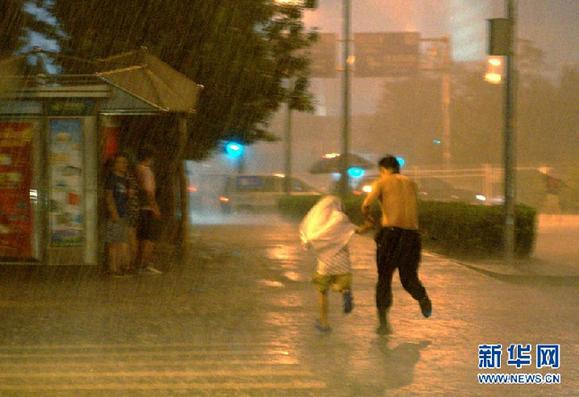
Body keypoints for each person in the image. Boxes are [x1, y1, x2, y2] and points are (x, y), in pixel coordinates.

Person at [361, 155, 432, 335]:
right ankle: (422, 297)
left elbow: (366, 204)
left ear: (384, 169)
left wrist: (369, 220)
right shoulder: (411, 184)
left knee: (384, 278)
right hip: (412, 236)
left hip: (391, 235)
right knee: (408, 278)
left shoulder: (382, 182)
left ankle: (383, 323)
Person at [300, 195, 372, 333]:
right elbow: (358, 230)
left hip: (324, 264)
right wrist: (368, 225)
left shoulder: (317, 223)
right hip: (342, 262)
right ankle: (345, 292)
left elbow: (309, 239)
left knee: (322, 292)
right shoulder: (340, 218)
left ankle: (324, 323)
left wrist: (308, 242)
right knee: (342, 283)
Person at [135, 146, 162, 275]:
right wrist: (155, 207)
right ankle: (145, 265)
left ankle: (139, 264)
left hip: (137, 208)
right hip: (147, 208)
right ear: (149, 158)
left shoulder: (136, 170)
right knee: (149, 239)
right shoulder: (147, 171)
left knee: (140, 238)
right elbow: (149, 191)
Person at [105, 154, 131, 277]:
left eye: (125, 162)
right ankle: (113, 269)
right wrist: (113, 213)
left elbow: (124, 197)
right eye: (121, 162)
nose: (124, 165)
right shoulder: (112, 178)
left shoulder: (125, 180)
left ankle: (122, 267)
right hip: (116, 214)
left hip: (123, 213)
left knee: (121, 241)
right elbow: (109, 196)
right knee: (114, 243)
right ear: (115, 165)